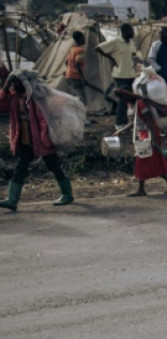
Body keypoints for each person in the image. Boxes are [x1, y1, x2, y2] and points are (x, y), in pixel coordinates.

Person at [0, 72, 74, 210]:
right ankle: (12, 200)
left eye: (17, 82)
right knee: (20, 169)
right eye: (13, 83)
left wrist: (47, 137)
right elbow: (1, 104)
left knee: (53, 166)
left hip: (41, 140)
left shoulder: (36, 96)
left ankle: (67, 194)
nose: (14, 85)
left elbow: (47, 116)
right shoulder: (14, 96)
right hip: (26, 141)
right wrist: (5, 87)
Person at [118, 72, 167, 197]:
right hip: (139, 135)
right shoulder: (130, 105)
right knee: (142, 159)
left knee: (149, 158)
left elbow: (149, 121)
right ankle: (146, 186)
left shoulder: (141, 104)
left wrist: (153, 138)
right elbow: (133, 122)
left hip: (148, 134)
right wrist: (121, 131)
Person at [96, 23, 138, 128]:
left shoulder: (131, 42)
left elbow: (133, 54)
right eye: (131, 31)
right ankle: (119, 123)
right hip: (120, 75)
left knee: (130, 100)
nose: (132, 33)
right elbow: (98, 48)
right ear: (124, 32)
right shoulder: (116, 42)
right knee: (123, 100)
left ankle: (126, 120)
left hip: (131, 74)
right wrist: (112, 58)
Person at [64, 31, 86, 107]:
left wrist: (69, 69)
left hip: (69, 75)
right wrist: (82, 76)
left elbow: (66, 62)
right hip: (76, 76)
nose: (84, 39)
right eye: (83, 37)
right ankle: (81, 114)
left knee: (75, 96)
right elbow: (77, 63)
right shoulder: (80, 50)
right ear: (79, 39)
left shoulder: (72, 49)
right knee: (82, 98)